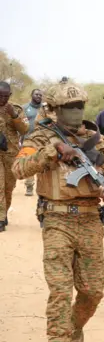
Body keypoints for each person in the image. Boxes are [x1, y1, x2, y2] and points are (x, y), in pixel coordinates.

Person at [12, 82, 104, 342]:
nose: (75, 112)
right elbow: (19, 168)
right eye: (68, 108)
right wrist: (52, 151)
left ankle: (75, 325)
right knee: (60, 291)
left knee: (93, 290)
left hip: (89, 221)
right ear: (54, 110)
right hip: (56, 219)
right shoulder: (40, 136)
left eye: (79, 107)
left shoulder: (95, 141)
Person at [0, 81, 29, 232]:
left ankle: (4, 213)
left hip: (11, 154)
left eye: (6, 96)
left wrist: (14, 115)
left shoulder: (16, 109)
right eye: (0, 96)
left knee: (8, 187)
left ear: (10, 95)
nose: (3, 99)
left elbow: (24, 129)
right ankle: (0, 218)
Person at [22, 89, 43, 196]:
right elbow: (20, 124)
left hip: (42, 141)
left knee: (42, 164)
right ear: (32, 95)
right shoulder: (25, 108)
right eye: (36, 94)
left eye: (40, 95)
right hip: (28, 140)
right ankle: (29, 187)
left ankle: (43, 188)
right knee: (29, 164)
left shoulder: (45, 109)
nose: (38, 96)